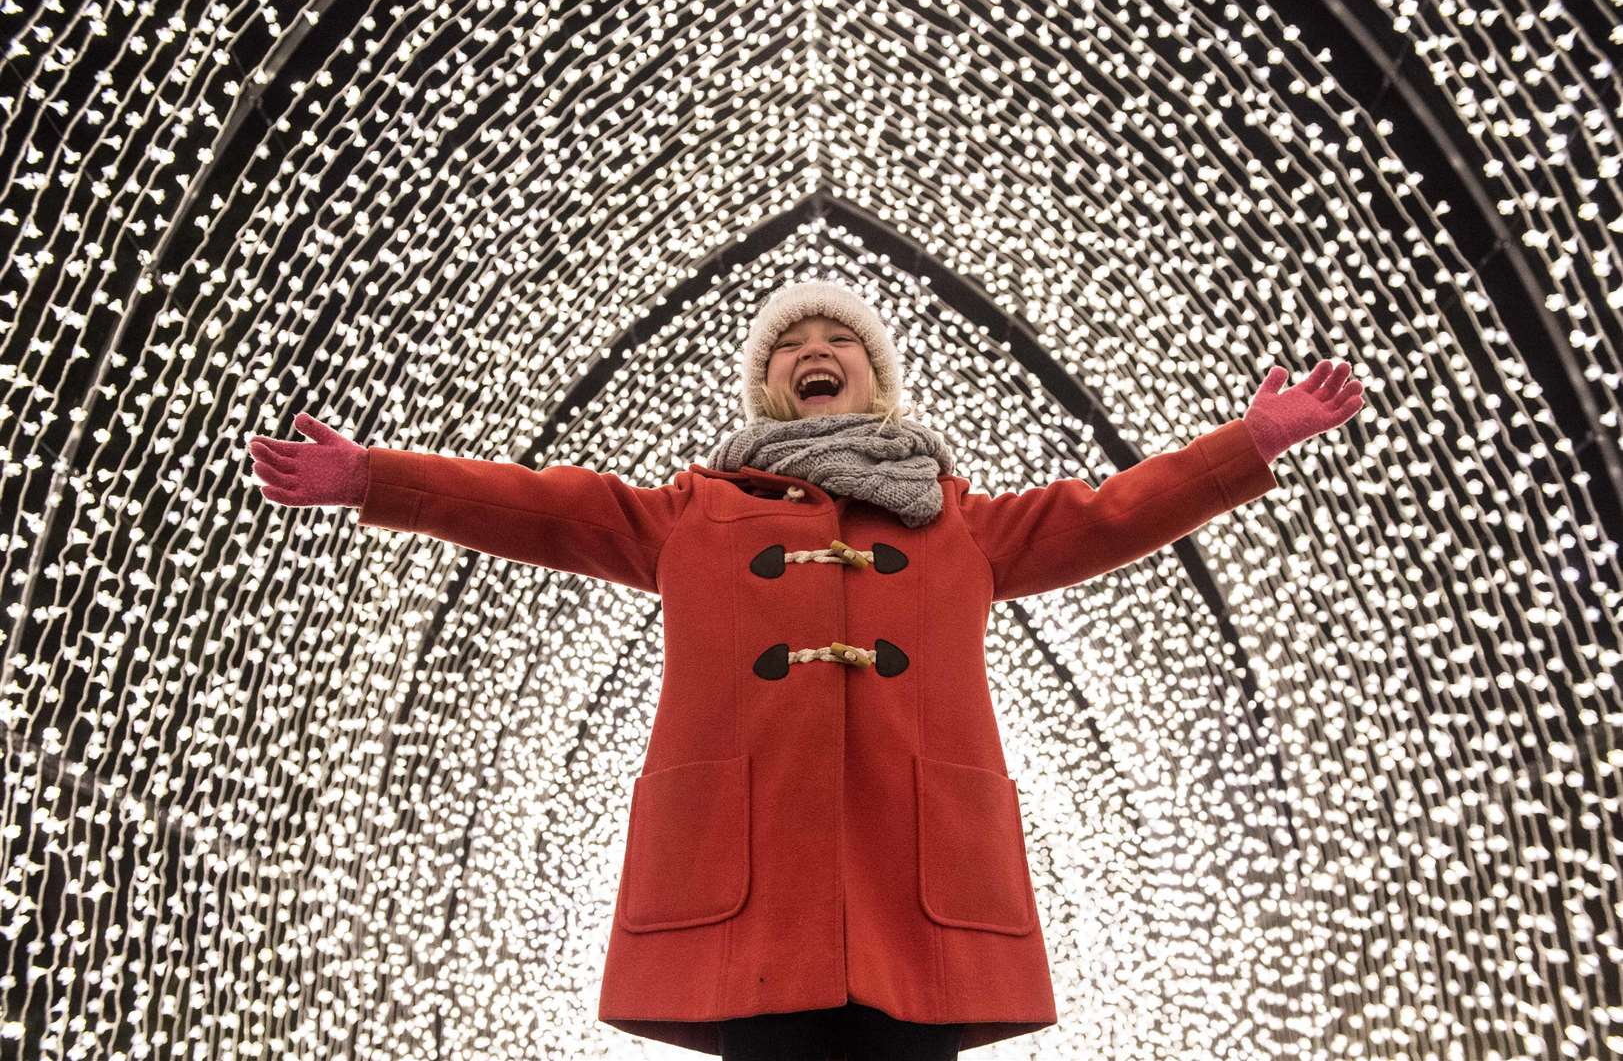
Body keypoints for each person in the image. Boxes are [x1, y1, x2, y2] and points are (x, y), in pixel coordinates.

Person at [248, 279, 1363, 1059]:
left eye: (841, 344)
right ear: (769, 386)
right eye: (789, 346)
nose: (813, 352)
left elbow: (1112, 512)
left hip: (919, 878)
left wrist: (1249, 444)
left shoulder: (960, 523)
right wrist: (372, 479)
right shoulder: (692, 514)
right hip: (750, 883)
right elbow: (547, 506)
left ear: (873, 379)